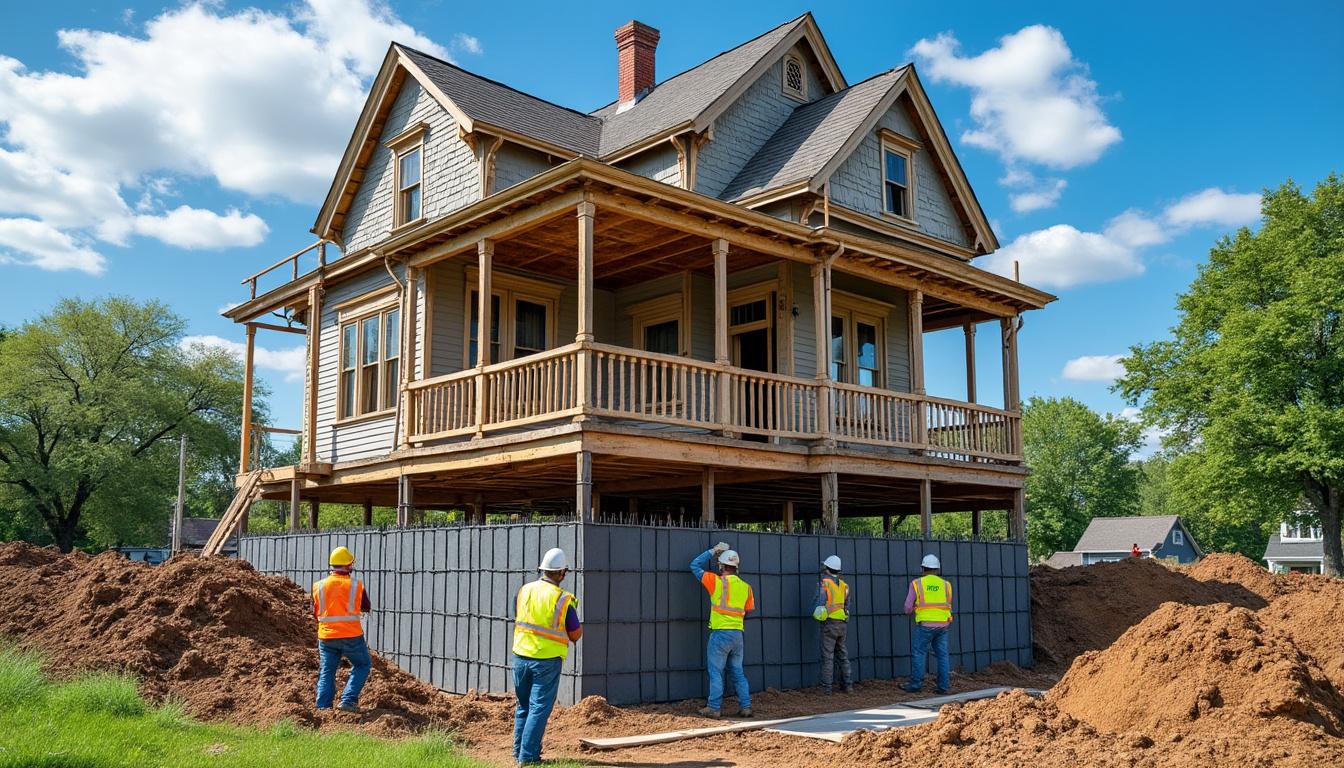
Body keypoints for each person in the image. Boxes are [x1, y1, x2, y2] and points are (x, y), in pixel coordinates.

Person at [512, 547, 582, 766]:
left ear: (542, 569)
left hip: (520, 656)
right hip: (547, 661)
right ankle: (528, 757)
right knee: (539, 709)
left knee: (523, 706)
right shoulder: (562, 599)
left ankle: (518, 753)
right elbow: (575, 634)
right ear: (562, 572)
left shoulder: (524, 590)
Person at [690, 541, 755, 719]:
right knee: (738, 672)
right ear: (736, 566)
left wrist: (713, 550)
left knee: (716, 672)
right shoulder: (746, 587)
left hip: (720, 634)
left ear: (721, 566)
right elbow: (748, 611)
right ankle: (746, 707)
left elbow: (694, 565)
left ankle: (714, 708)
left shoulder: (715, 582)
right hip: (737, 635)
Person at [312, 545, 372, 713]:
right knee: (363, 664)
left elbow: (314, 611)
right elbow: (366, 607)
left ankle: (323, 707)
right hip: (351, 635)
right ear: (348, 565)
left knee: (327, 670)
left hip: (326, 636)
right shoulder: (356, 585)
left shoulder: (318, 586)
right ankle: (348, 700)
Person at [902, 553, 952, 695]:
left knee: (919, 653)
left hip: (925, 625)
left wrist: (912, 610)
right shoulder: (946, 585)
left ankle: (916, 684)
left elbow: (907, 607)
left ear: (922, 568)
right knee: (942, 655)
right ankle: (943, 686)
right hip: (943, 624)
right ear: (937, 569)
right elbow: (948, 604)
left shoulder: (917, 584)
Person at [812, 555, 852, 694]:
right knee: (842, 655)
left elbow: (818, 605)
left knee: (828, 657)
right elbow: (847, 606)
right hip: (842, 624)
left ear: (827, 569)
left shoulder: (824, 584)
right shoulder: (845, 586)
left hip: (829, 624)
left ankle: (826, 688)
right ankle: (847, 685)